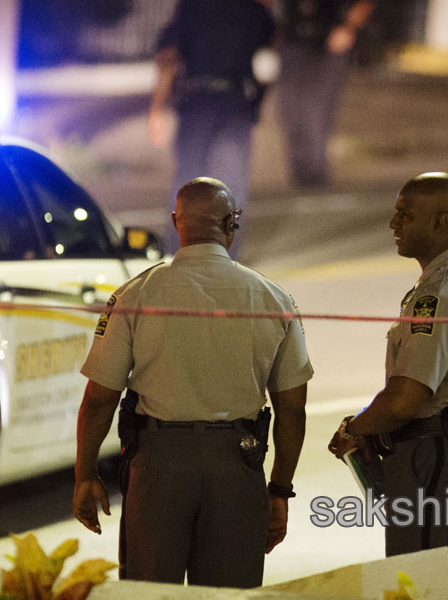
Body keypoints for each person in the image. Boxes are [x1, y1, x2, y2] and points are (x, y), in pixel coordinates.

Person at [73, 177, 312, 588]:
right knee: (228, 595)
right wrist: (279, 490)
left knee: (151, 593)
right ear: (229, 224)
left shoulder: (134, 295)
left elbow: (99, 398)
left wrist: (84, 474)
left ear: (175, 222)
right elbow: (292, 408)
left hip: (158, 468)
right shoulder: (275, 299)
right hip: (237, 467)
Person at [328, 172, 448, 600]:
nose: (394, 224)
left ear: (440, 222)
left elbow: (406, 397)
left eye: (405, 216)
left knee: (415, 590)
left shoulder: (439, 296)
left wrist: (354, 430)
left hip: (434, 458)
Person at [149, 0, 275, 255]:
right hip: (233, 101)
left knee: (188, 186)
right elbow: (270, 50)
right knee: (229, 187)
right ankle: (224, 259)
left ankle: (180, 255)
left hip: (198, 100)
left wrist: (157, 107)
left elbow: (168, 55)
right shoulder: (251, 8)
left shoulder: (191, 6)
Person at [276, 0, 375, 188]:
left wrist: (349, 28)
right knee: (290, 115)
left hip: (328, 44)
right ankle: (299, 183)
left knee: (313, 116)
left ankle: (315, 184)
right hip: (291, 43)